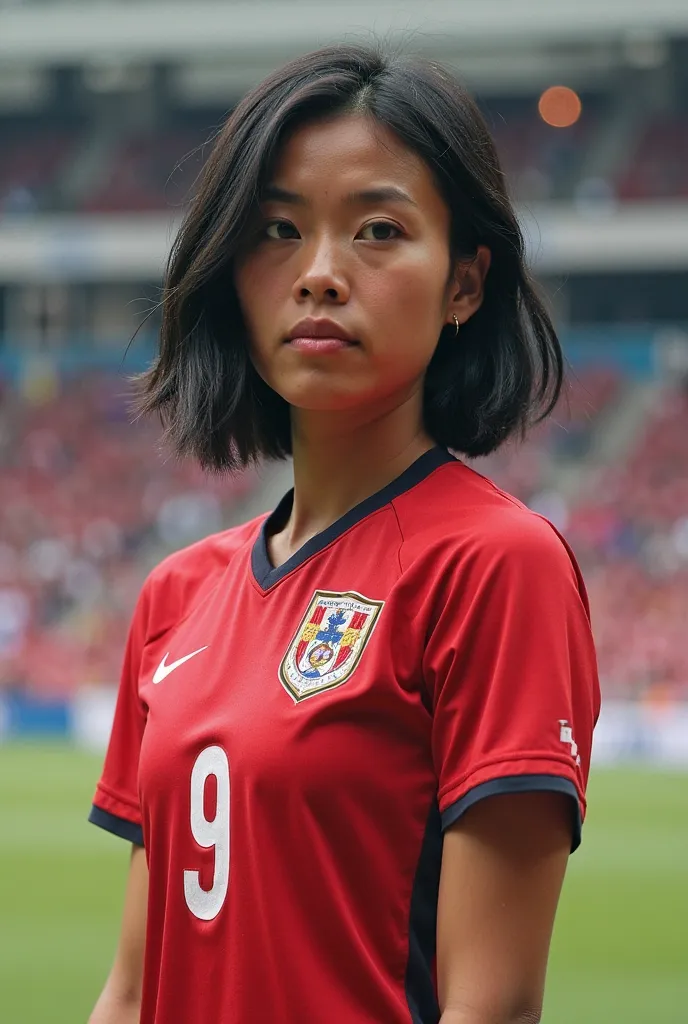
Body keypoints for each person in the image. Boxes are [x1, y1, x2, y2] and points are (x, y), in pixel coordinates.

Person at [88, 42, 600, 1024]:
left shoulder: (495, 566)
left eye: (377, 229)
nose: (319, 274)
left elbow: (489, 1007)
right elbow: (130, 990)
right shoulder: (174, 596)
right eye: (277, 229)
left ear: (464, 282)